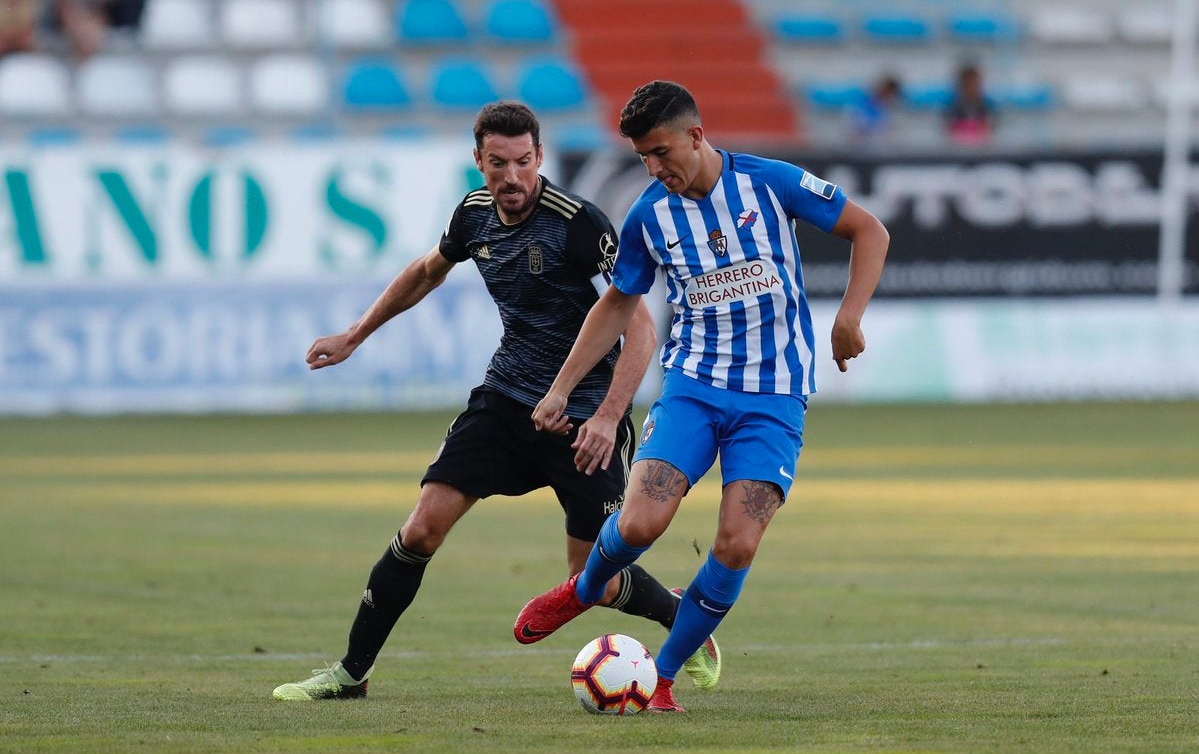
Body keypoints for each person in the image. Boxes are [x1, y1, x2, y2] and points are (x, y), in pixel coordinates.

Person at [272, 101, 721, 701]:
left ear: (539, 157)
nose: (512, 177)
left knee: (589, 581)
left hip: (584, 418)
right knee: (421, 530)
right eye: (497, 164)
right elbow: (428, 270)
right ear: (478, 161)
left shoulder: (579, 224)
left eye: (524, 162)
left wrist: (610, 417)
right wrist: (355, 335)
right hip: (506, 402)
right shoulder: (473, 215)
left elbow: (639, 325)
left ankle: (678, 618)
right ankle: (351, 674)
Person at [513, 81, 889, 712]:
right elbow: (617, 303)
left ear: (696, 133)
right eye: (643, 159)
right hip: (694, 387)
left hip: (774, 396)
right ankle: (587, 587)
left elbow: (869, 231)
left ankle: (660, 676)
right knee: (638, 523)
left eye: (662, 152)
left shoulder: (772, 183)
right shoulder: (649, 216)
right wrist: (562, 389)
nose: (656, 169)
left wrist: (849, 317)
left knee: (737, 543)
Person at [944, 63, 995, 145]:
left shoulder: (988, 106)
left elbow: (992, 129)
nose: (971, 88)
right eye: (968, 84)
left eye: (974, 84)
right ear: (961, 86)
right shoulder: (952, 107)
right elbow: (948, 130)